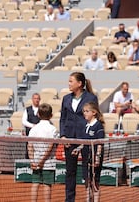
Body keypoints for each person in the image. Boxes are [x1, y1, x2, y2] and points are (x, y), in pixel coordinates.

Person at [60, 71, 98, 202]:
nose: (69, 83)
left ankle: (90, 199)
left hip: (86, 140)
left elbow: (94, 119)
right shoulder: (66, 98)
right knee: (70, 172)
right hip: (69, 139)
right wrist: (63, 136)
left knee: (88, 172)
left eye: (71, 81)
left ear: (80, 83)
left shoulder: (91, 98)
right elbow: (62, 119)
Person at [71, 102, 105, 202]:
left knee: (95, 183)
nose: (84, 113)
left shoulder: (98, 126)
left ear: (93, 112)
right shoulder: (86, 126)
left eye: (87, 111)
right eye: (84, 111)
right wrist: (77, 149)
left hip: (94, 158)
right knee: (87, 182)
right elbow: (84, 142)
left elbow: (100, 143)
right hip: (86, 158)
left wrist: (98, 157)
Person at [28, 103, 57, 202]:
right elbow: (50, 146)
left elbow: (30, 146)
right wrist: (42, 160)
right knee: (46, 185)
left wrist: (32, 160)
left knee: (35, 184)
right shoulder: (53, 129)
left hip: (36, 161)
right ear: (51, 115)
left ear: (38, 115)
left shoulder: (33, 129)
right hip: (48, 163)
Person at [22, 93, 41, 159]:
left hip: (39, 134)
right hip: (29, 133)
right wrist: (33, 126)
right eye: (35, 98)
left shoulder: (42, 109)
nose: (36, 100)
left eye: (38, 98)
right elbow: (24, 121)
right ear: (32, 99)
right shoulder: (27, 110)